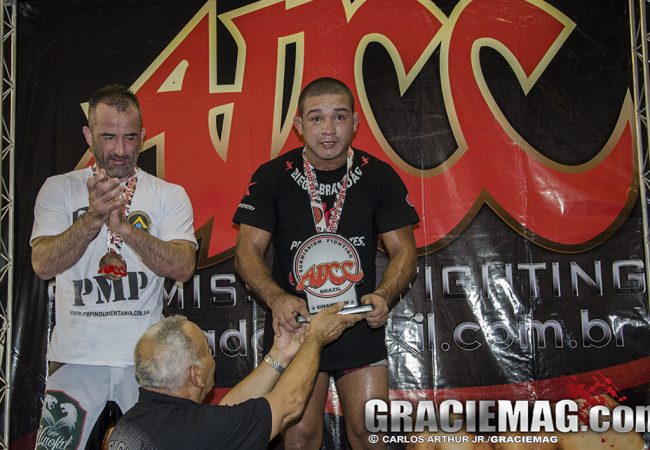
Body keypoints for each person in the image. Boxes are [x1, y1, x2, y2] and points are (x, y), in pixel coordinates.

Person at [233, 77, 419, 449]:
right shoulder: (272, 177)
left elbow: (404, 252)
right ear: (299, 125)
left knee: (370, 433)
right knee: (299, 436)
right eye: (316, 118)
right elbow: (246, 252)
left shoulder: (379, 176)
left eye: (339, 116)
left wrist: (384, 295)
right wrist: (276, 298)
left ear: (356, 122)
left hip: (358, 322)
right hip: (298, 326)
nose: (329, 129)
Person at [30, 84, 197, 449]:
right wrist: (92, 219)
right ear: (88, 136)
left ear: (144, 136)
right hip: (75, 359)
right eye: (108, 137)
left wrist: (126, 231)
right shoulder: (59, 189)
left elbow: (184, 266)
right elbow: (42, 264)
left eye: (130, 137)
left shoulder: (168, 195)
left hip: (146, 363)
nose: (120, 150)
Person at [107, 304, 363, 449]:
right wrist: (315, 338)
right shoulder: (197, 429)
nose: (213, 358)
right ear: (196, 375)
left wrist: (281, 355)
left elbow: (227, 413)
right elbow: (289, 404)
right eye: (207, 352)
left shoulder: (132, 421)